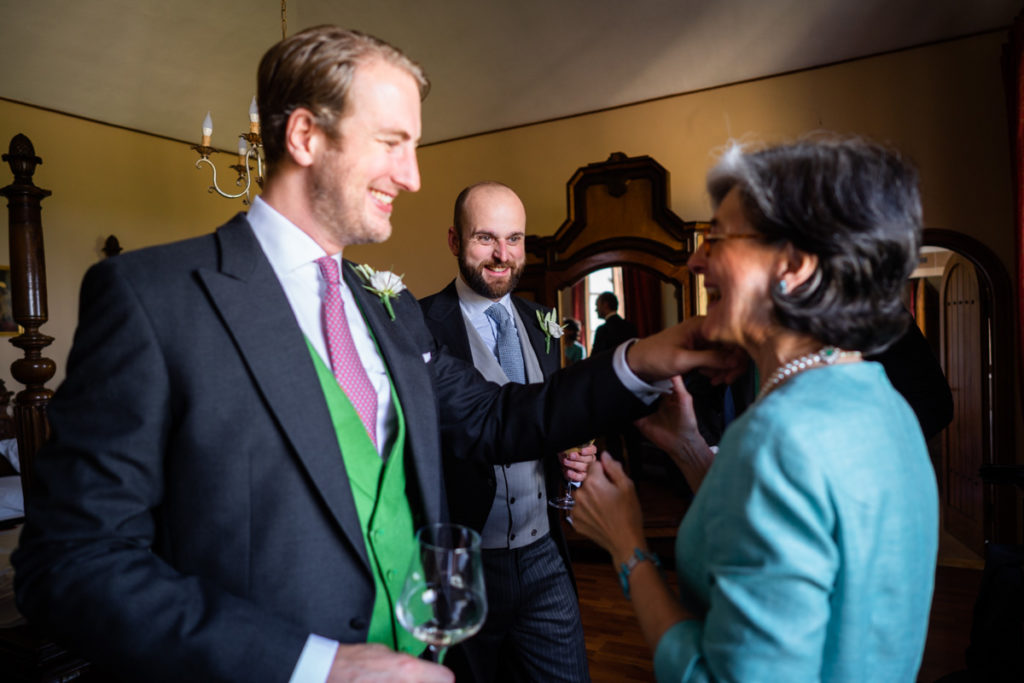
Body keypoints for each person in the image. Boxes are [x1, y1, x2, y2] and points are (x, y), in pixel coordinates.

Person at [12, 26, 737, 683]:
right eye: (393, 143)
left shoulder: (381, 308)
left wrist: (646, 357)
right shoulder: (153, 297)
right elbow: (70, 564)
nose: (413, 176)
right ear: (304, 135)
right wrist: (318, 666)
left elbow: (496, 416)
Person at [572, 137, 939, 682]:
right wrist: (691, 450)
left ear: (791, 263)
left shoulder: (780, 434)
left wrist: (627, 545)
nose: (697, 259)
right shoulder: (881, 401)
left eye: (717, 238)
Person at [420, 181, 594, 682]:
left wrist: (573, 449)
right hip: (465, 564)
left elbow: (546, 418)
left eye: (514, 239)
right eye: (485, 238)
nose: (502, 255)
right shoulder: (420, 325)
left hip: (545, 556)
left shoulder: (543, 321)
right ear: (455, 241)